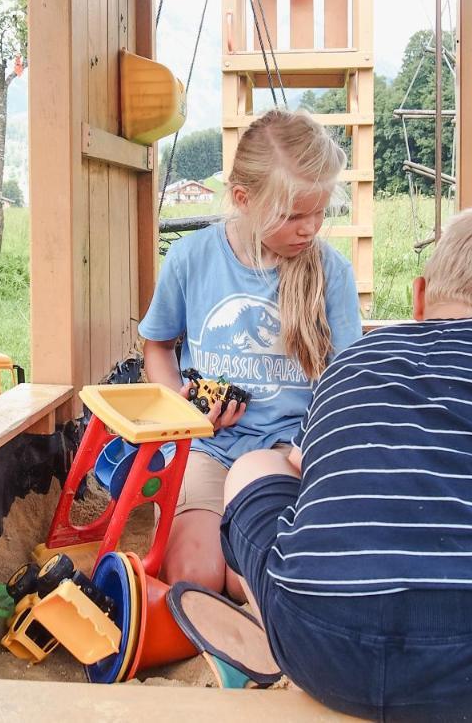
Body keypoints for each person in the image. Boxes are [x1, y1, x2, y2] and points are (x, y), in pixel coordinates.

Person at [219, 199, 472, 722]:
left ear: (419, 295)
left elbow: (307, 466)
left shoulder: (352, 360)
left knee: (255, 467)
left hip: (321, 650)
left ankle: (270, 641)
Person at [140, 109, 363, 599]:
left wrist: (309, 450)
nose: (310, 229)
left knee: (252, 581)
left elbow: (348, 382)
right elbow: (157, 345)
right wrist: (182, 411)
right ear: (243, 199)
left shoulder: (331, 272)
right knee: (192, 577)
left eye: (319, 212)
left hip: (286, 454)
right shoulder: (190, 259)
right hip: (205, 447)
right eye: (294, 215)